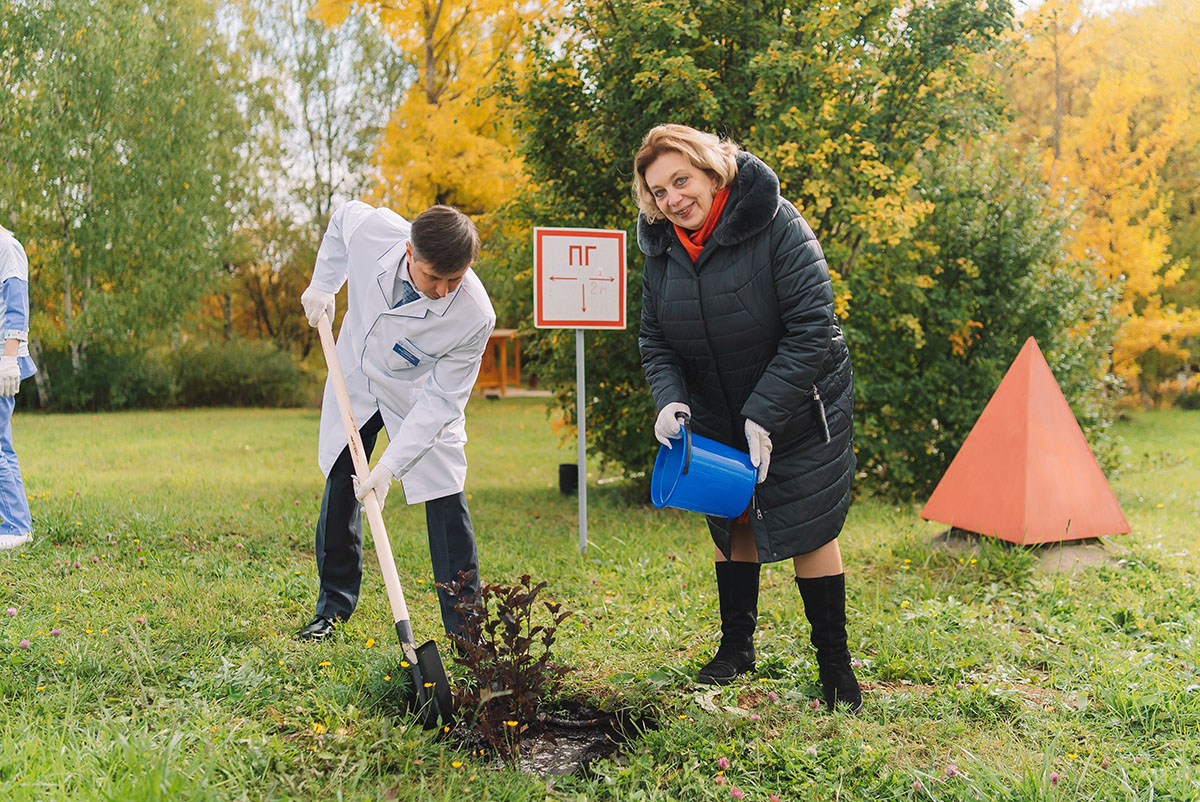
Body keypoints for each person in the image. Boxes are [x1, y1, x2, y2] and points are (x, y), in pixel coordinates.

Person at [634, 124, 862, 711]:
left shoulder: (778, 223)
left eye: (680, 180)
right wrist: (668, 399)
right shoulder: (661, 250)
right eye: (659, 191)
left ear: (712, 172)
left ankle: (834, 665)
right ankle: (736, 649)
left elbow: (815, 327)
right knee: (732, 519)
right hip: (717, 408)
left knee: (810, 527)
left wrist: (765, 412)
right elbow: (655, 339)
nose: (672, 199)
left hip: (799, 402)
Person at [296, 201, 495, 642]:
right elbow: (341, 220)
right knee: (342, 480)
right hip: (358, 374)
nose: (444, 291)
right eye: (433, 277)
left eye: (455, 280)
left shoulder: (475, 315)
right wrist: (323, 285)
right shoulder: (374, 232)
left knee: (445, 497)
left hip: (419, 394)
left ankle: (467, 633)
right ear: (408, 251)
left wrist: (388, 469)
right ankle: (332, 609)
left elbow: (443, 402)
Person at [0, 224, 38, 551]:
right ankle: (12, 521)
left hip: (2, 361)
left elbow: (16, 306)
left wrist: (8, 359)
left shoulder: (7, 247)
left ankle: (17, 525)